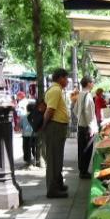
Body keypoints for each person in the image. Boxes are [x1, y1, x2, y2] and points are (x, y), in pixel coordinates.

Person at [43, 69, 70, 198]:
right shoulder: (55, 90)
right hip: (55, 127)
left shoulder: (56, 89)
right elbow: (50, 110)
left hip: (58, 127)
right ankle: (52, 189)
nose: (68, 81)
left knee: (57, 157)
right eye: (66, 78)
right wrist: (44, 125)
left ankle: (58, 184)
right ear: (60, 78)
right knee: (54, 158)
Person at [74, 76, 98, 179]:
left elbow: (75, 110)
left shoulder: (80, 94)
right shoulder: (87, 95)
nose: (93, 84)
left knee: (81, 150)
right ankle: (84, 172)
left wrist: (80, 119)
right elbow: (89, 114)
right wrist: (91, 127)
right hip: (87, 128)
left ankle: (82, 170)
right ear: (88, 83)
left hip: (81, 126)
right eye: (92, 82)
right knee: (87, 150)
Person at [20, 102, 37, 167]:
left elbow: (20, 125)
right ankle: (35, 159)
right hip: (34, 135)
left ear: (27, 109)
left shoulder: (23, 117)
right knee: (34, 147)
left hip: (26, 135)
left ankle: (27, 161)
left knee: (26, 148)